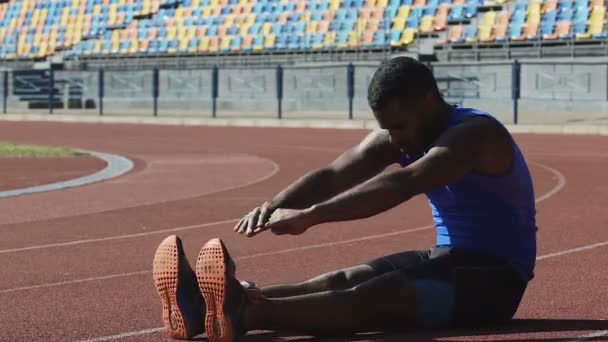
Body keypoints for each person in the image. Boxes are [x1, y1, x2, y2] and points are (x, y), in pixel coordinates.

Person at [152, 56, 537, 342]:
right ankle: (204, 308)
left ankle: (246, 315)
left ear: (428, 100)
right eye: (387, 129)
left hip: (495, 282)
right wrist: (274, 204)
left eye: (400, 126)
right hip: (449, 259)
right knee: (343, 278)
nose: (395, 138)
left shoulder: (475, 135)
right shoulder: (405, 132)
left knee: (375, 295)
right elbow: (336, 173)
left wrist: (311, 216)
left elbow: (404, 183)